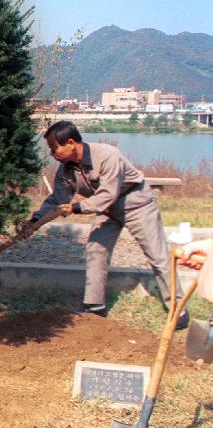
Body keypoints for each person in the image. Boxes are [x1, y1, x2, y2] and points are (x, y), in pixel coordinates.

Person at [24, 120, 188, 329]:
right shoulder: (65, 171)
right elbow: (57, 200)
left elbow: (108, 194)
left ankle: (178, 311)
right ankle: (95, 307)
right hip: (107, 210)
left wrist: (75, 209)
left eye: (54, 148)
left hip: (136, 203)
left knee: (158, 256)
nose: (51, 153)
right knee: (95, 249)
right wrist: (34, 221)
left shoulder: (107, 155)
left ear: (71, 143)